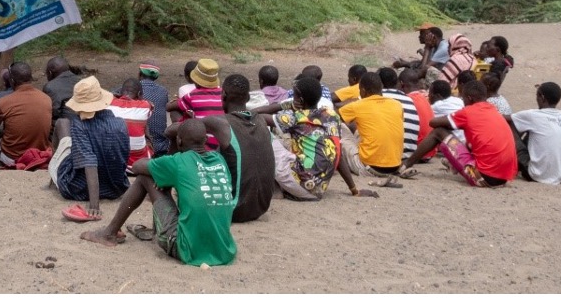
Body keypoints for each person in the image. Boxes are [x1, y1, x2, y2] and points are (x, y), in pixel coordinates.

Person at [78, 119, 236, 267]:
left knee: (144, 178)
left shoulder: (179, 162)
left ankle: (109, 233)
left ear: (179, 141)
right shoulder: (219, 160)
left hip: (188, 250)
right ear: (205, 141)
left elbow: (137, 166)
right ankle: (152, 230)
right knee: (163, 178)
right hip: (223, 249)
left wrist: (162, 174)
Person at [263, 75, 373, 200]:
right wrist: (354, 189)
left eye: (294, 95)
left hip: (299, 185)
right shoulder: (331, 116)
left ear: (300, 100)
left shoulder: (295, 117)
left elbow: (254, 115)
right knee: (288, 148)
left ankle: (274, 188)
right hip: (318, 189)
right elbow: (337, 152)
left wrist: (284, 105)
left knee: (263, 132)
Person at [398, 80, 516, 188]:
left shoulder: (468, 112)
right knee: (467, 141)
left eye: (463, 99)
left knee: (439, 132)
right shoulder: (493, 110)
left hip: (483, 177)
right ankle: (452, 163)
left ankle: (406, 164)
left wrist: (452, 123)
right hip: (504, 178)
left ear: (469, 98)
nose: (463, 102)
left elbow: (433, 122)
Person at [51, 76, 130, 219]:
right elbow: (121, 157)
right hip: (116, 188)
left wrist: (94, 205)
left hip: (79, 190)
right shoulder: (121, 123)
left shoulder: (80, 126)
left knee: (61, 124)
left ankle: (53, 179)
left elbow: (89, 162)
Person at [202, 74, 273, 223]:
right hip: (261, 207)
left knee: (188, 144)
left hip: (234, 209)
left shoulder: (220, 122)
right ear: (247, 98)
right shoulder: (261, 120)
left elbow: (181, 131)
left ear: (223, 95)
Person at [0, 61, 53, 166]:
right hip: (40, 153)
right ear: (31, 78)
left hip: (13, 157)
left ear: (11, 80)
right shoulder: (46, 99)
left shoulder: (3, 102)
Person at [338, 72, 405, 175]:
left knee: (339, 126)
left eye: (360, 90)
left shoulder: (357, 106)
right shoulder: (397, 104)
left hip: (369, 168)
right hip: (395, 166)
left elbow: (331, 118)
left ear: (363, 90)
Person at [510, 82, 561, 184]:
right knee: (531, 128)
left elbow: (505, 118)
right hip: (560, 175)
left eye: (537, 96)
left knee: (511, 125)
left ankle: (510, 160)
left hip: (536, 175)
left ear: (542, 98)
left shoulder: (533, 115)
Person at [378, 67, 420, 163]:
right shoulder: (409, 99)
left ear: (380, 83)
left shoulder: (377, 96)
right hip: (408, 156)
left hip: (386, 156)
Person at [108, 79, 153, 168]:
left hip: (114, 161)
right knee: (144, 127)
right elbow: (151, 107)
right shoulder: (146, 105)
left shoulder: (110, 103)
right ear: (140, 94)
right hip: (137, 163)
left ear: (120, 92)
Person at [398, 68, 435, 160]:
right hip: (430, 151)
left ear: (401, 84)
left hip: (415, 153)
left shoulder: (406, 101)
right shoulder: (424, 99)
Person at [137, 62, 172, 156]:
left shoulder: (133, 89)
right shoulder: (163, 91)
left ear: (139, 74)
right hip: (161, 146)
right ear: (156, 77)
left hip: (141, 146)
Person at [44, 56, 80, 122]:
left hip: (69, 125)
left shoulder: (50, 87)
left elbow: (54, 112)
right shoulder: (81, 80)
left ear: (50, 73)